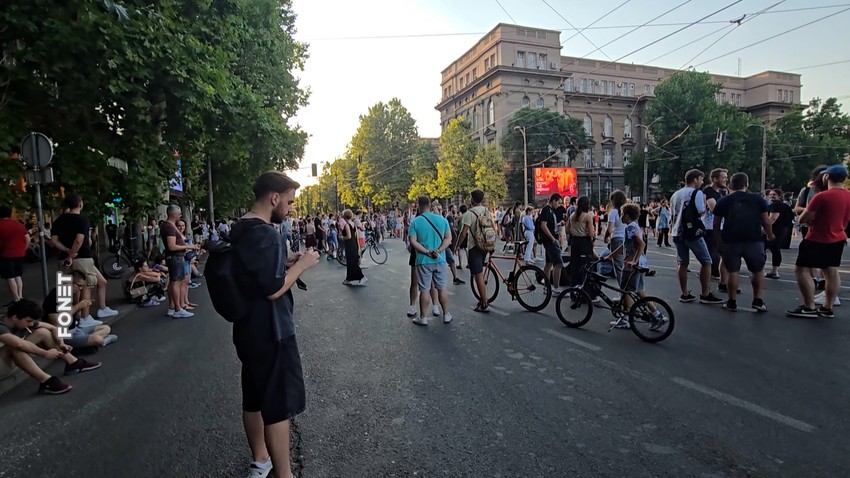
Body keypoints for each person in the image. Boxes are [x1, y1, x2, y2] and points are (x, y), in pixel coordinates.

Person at [230, 171, 320, 478]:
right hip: (271, 329)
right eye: (290, 201)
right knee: (277, 404)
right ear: (274, 198)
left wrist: (285, 261)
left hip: (247, 328)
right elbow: (272, 289)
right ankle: (284, 474)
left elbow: (255, 272)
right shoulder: (264, 232)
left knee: (253, 396)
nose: (292, 208)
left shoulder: (241, 227)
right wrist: (304, 265)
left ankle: (261, 460)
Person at [787, 164, 850, 318]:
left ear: (826, 177)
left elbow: (803, 218)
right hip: (838, 237)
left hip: (817, 237)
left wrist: (809, 220)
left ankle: (809, 307)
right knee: (831, 270)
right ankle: (827, 307)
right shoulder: (848, 195)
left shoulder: (822, 196)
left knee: (801, 270)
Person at [0, 299, 101, 395]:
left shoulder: (23, 320)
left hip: (7, 360)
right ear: (15, 317)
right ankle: (46, 381)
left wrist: (61, 343)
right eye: (28, 321)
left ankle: (73, 362)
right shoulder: (1, 326)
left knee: (42, 332)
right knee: (13, 346)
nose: (30, 324)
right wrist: (45, 353)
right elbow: (19, 344)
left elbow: (53, 328)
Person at [712, 173, 773, 312]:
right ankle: (758, 300)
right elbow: (766, 221)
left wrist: (718, 240)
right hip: (754, 240)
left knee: (733, 271)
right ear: (747, 184)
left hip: (731, 240)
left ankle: (732, 302)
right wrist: (770, 235)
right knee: (757, 271)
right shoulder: (758, 199)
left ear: (731, 185)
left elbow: (716, 224)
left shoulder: (724, 200)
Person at [668, 170, 723, 305]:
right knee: (706, 261)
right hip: (692, 233)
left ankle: (684, 293)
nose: (702, 182)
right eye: (701, 179)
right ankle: (705, 293)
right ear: (695, 179)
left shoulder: (676, 194)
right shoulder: (696, 193)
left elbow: (673, 213)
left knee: (682, 263)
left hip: (677, 232)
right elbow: (701, 211)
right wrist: (704, 204)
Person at [408, 195, 453, 325]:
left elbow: (413, 241)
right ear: (430, 204)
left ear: (418, 205)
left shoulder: (416, 222)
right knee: (441, 288)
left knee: (424, 289)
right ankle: (446, 314)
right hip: (440, 259)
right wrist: (439, 250)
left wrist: (426, 251)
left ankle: (423, 317)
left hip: (423, 260)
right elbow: (448, 239)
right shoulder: (442, 220)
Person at [456, 189, 493, 313]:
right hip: (485, 246)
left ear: (472, 199)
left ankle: (484, 303)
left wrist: (457, 245)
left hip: (474, 247)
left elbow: (463, 233)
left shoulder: (469, 214)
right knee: (480, 273)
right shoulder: (487, 211)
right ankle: (484, 298)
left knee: (478, 275)